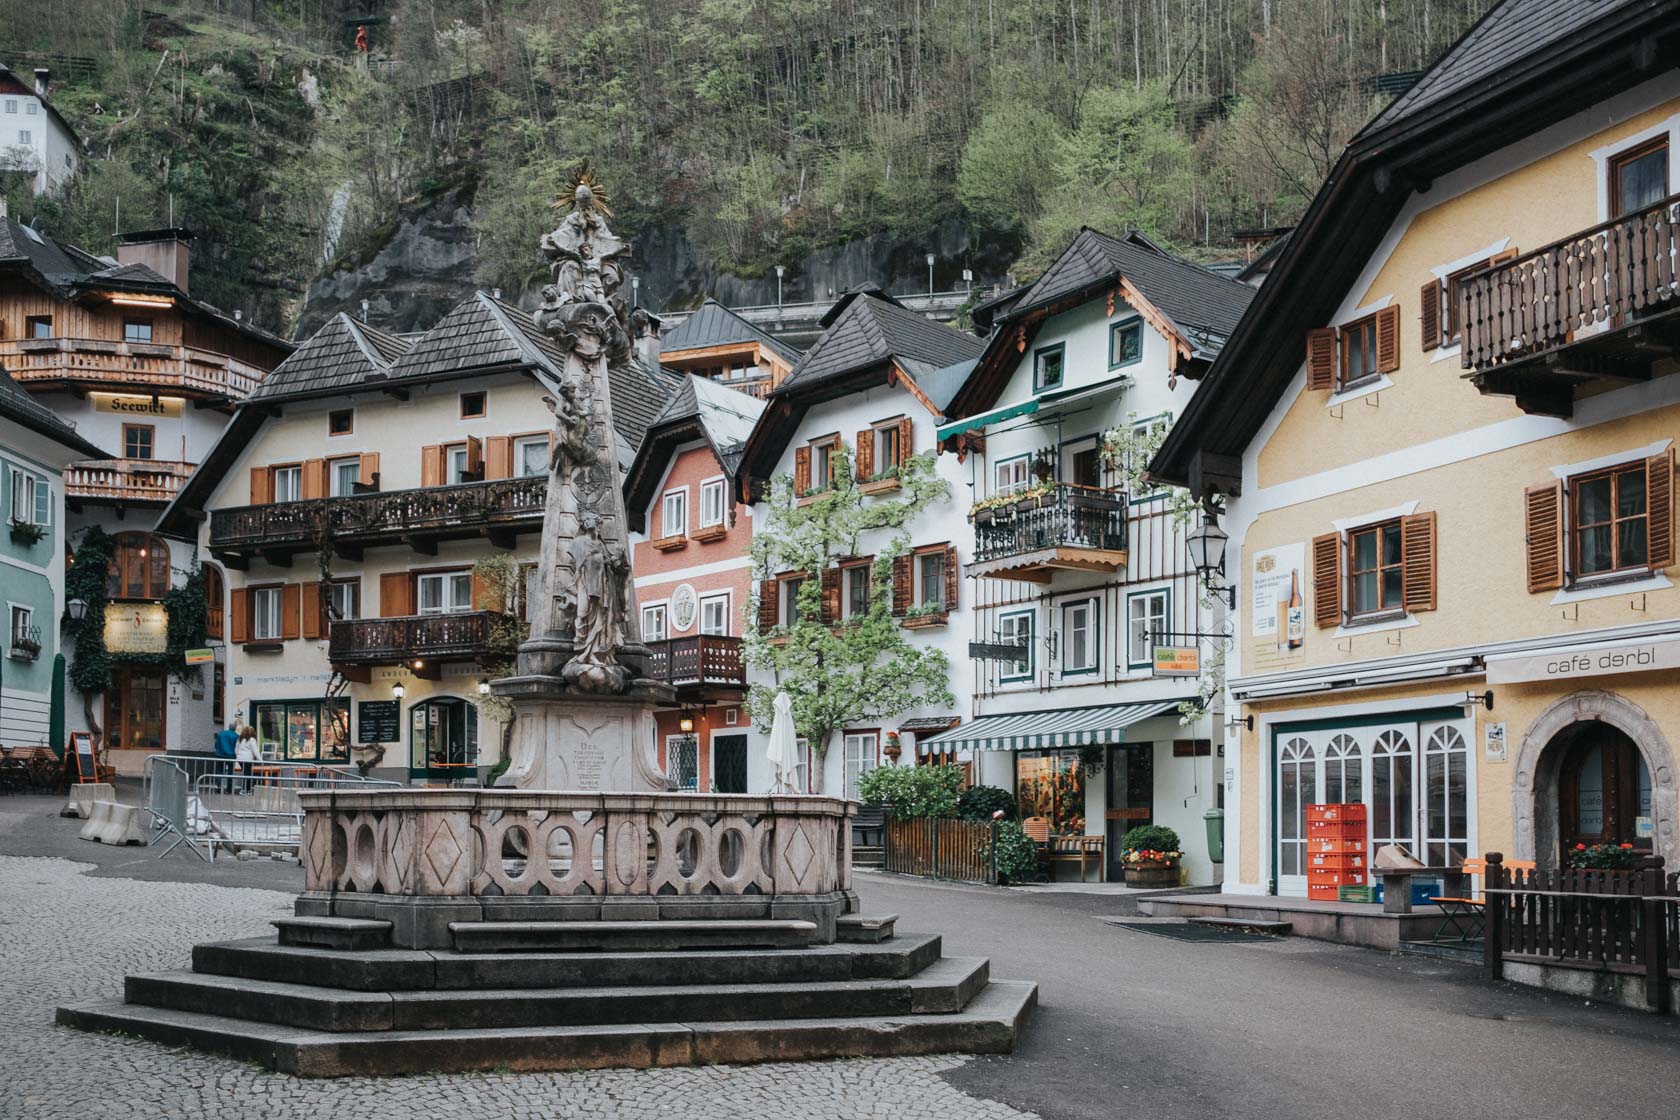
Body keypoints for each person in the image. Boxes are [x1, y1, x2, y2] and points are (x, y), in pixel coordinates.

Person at [212, 722, 239, 793]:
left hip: (220, 755)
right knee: (230, 773)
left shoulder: (221, 734)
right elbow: (237, 747)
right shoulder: (236, 736)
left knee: (219, 771)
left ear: (229, 727)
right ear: (235, 728)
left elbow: (216, 744)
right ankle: (229, 789)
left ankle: (219, 787)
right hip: (231, 756)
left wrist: (217, 750)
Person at [234, 725, 258, 794]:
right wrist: (261, 760)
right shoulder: (252, 740)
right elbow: (255, 751)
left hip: (240, 759)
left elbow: (236, 750)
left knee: (245, 773)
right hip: (248, 760)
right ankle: (247, 790)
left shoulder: (240, 739)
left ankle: (243, 790)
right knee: (248, 774)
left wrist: (238, 757)